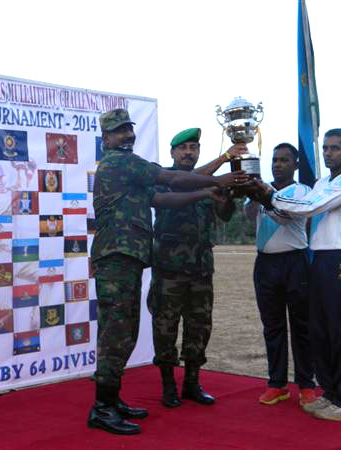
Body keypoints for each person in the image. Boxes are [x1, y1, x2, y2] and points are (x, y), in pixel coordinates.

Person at [88, 109, 248, 435]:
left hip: (127, 257)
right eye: (119, 131)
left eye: (129, 130)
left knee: (125, 331)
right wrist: (217, 179)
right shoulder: (120, 162)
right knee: (116, 334)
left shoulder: (128, 172)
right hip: (116, 257)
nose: (127, 136)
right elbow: (170, 179)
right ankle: (102, 408)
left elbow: (161, 199)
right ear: (106, 139)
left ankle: (112, 400)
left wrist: (205, 193)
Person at [254, 129, 341, 421]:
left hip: (340, 258)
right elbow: (297, 213)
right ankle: (330, 393)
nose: (329, 153)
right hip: (319, 258)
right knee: (321, 330)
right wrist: (267, 199)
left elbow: (311, 207)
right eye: (326, 148)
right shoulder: (323, 182)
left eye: (336, 149)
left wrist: (270, 194)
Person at [147, 127, 245, 408]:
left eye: (194, 148)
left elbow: (224, 216)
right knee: (165, 328)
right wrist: (225, 158)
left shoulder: (212, 181)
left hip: (201, 269)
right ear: (173, 153)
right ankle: (168, 384)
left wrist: (228, 196)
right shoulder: (163, 177)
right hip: (169, 270)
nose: (189, 152)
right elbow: (184, 183)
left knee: (199, 327)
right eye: (184, 148)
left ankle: (191, 383)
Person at [244, 143, 316, 406]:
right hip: (265, 264)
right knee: (272, 326)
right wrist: (252, 194)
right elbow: (249, 213)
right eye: (275, 159)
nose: (278, 164)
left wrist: (266, 195)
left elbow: (286, 217)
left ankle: (307, 385)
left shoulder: (302, 191)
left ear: (295, 165)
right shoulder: (263, 189)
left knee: (301, 326)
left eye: (284, 160)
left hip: (295, 262)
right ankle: (277, 384)